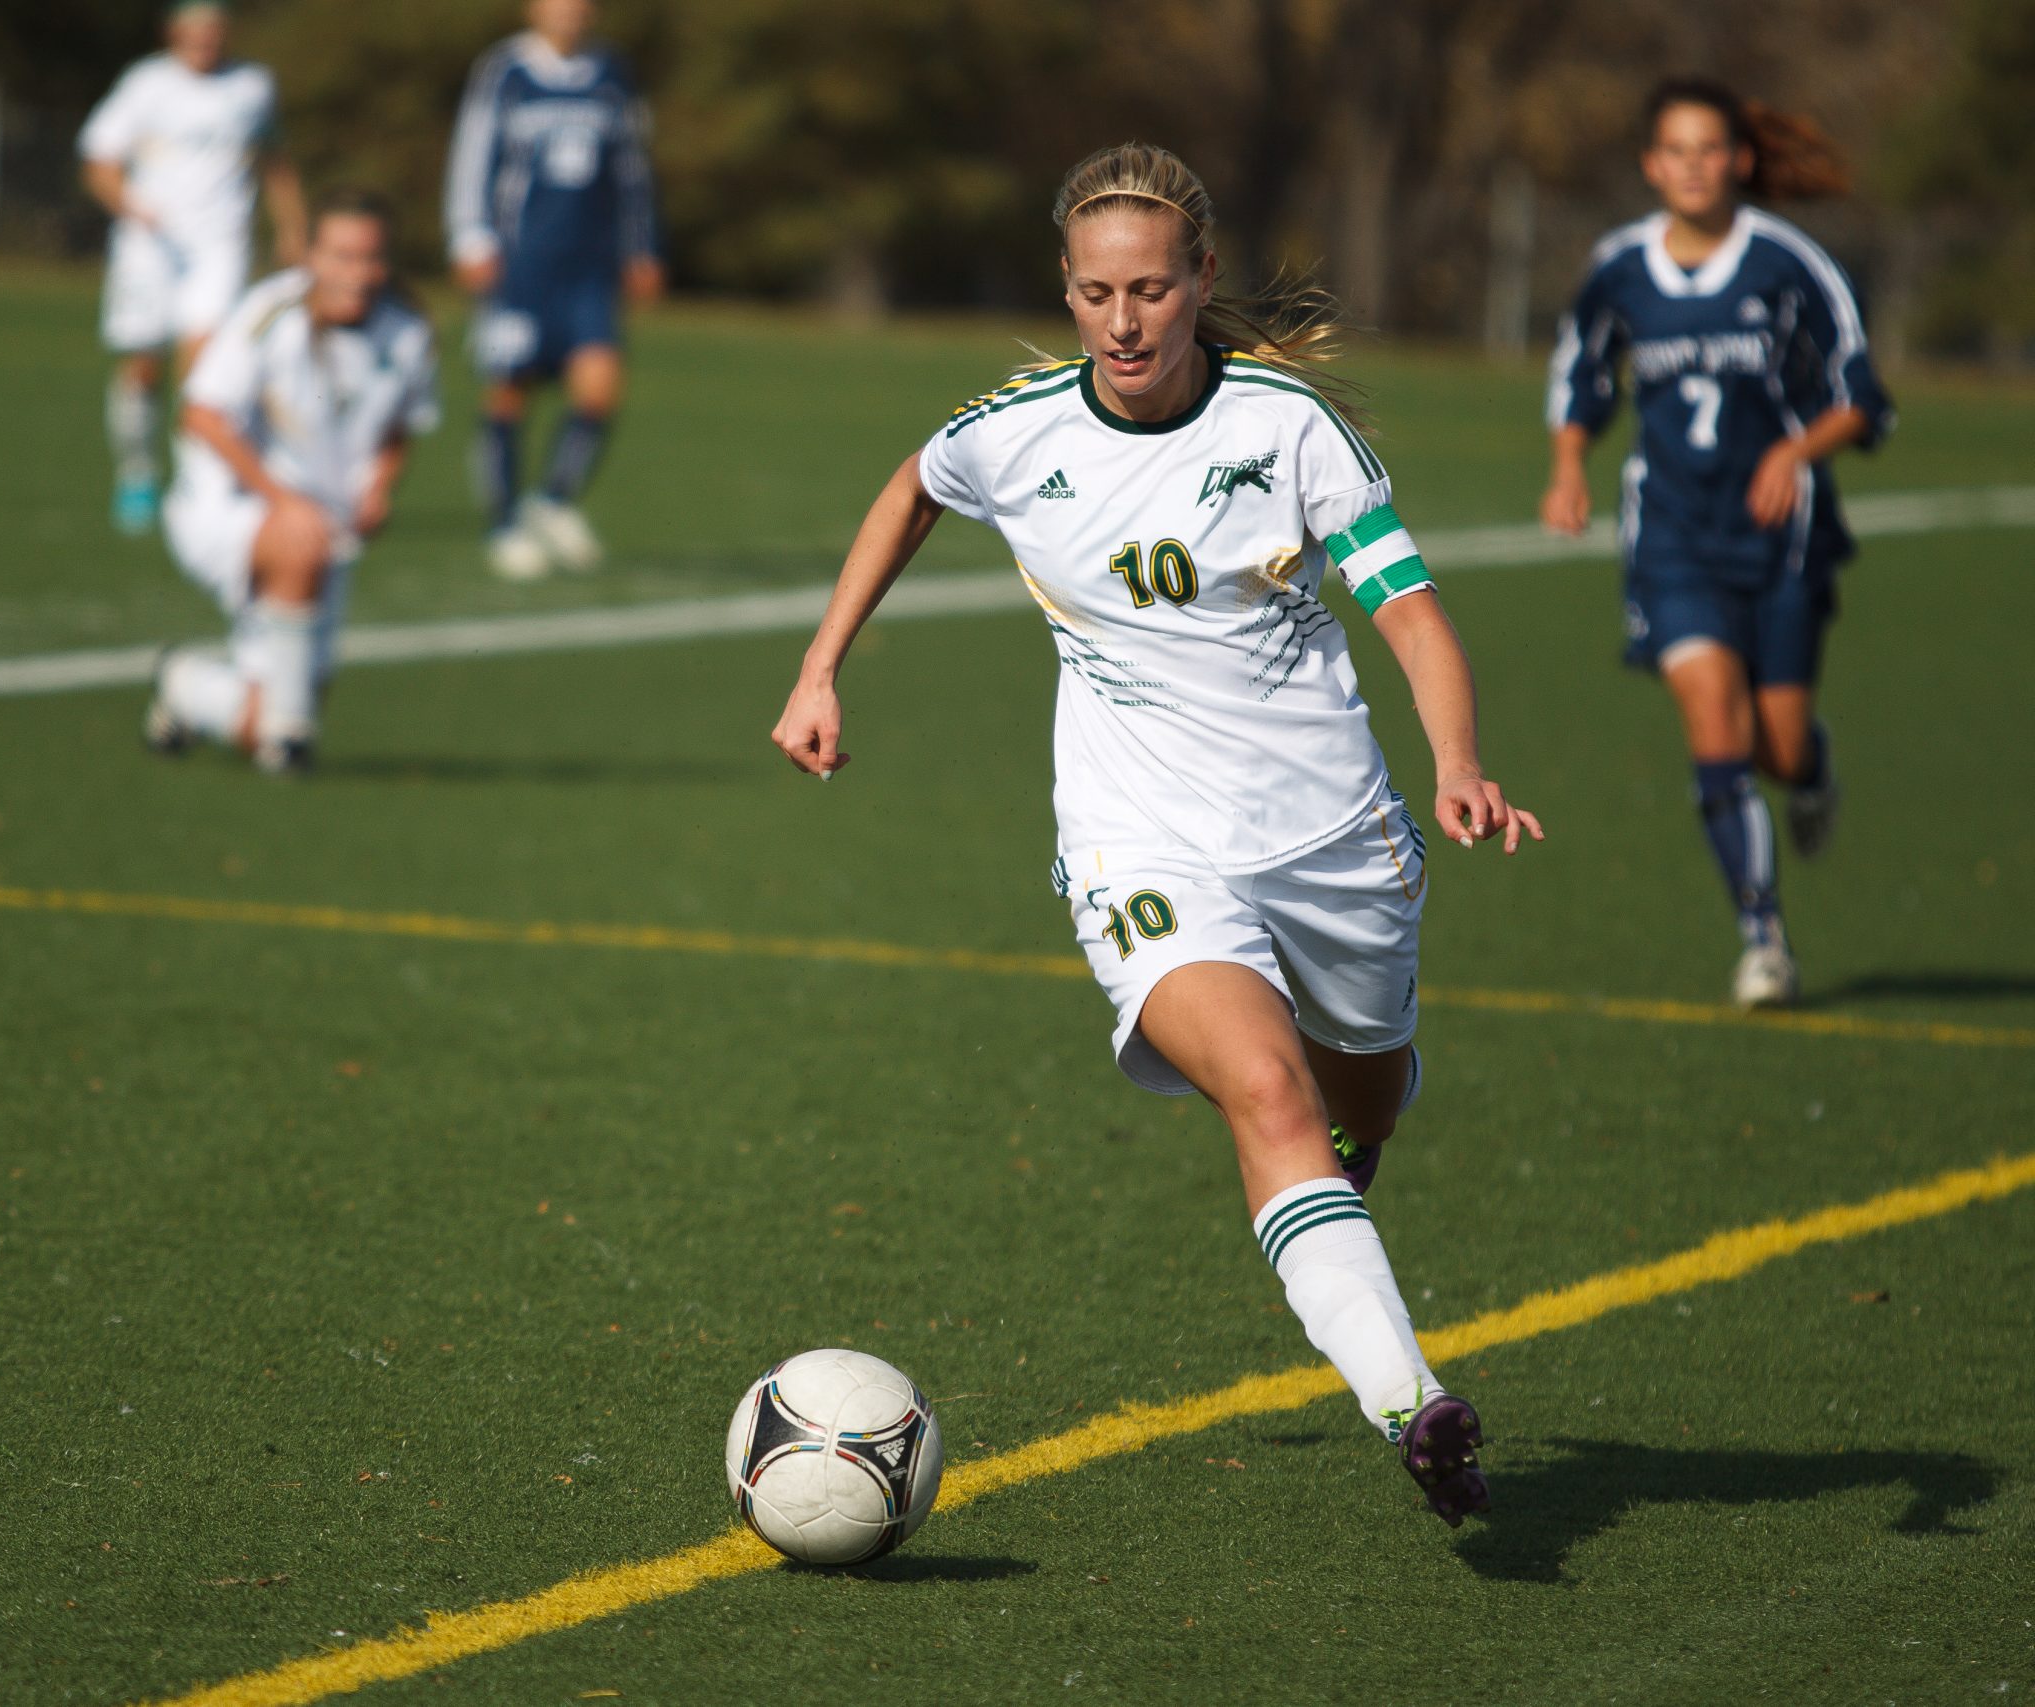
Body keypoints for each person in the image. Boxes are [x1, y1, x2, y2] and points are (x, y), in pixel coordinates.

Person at [771, 143, 1544, 1527]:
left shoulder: (1288, 428)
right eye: (1092, 293)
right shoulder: (1015, 432)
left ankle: (1339, 1174)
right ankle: (1414, 1402)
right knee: (1267, 1092)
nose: (1121, 322)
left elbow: (1410, 608)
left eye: (1149, 289)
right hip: (1141, 839)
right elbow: (911, 488)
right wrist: (823, 661)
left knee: (1361, 1091)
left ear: (1200, 283)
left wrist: (1462, 761)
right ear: (1065, 293)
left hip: (1333, 833)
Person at [1541, 78, 1893, 1008]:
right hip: (1671, 536)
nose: (1693, 167)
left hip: (1781, 539)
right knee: (1713, 718)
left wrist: (1796, 447)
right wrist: (1570, 464)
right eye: (1675, 151)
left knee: (1777, 745)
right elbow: (1580, 370)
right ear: (1652, 165)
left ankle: (1812, 774)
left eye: (1711, 150)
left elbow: (1861, 396)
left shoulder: (1789, 263)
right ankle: (1763, 936)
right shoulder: (1619, 266)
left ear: (1738, 160)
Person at [143, 194, 439, 774]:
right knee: (298, 548)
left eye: (369, 258)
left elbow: (402, 424)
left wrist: (379, 488)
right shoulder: (272, 312)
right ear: (311, 256)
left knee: (265, 712)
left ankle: (187, 685)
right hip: (227, 508)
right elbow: (201, 415)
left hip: (325, 533)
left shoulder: (408, 330)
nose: (356, 274)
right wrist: (284, 501)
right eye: (340, 256)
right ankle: (291, 741)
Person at [443, 0, 663, 580]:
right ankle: (504, 524)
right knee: (509, 392)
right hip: (521, 267)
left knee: (600, 388)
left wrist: (643, 247)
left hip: (591, 267)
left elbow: (634, 170)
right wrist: (470, 238)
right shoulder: (506, 71)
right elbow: (473, 156)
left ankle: (554, 501)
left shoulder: (613, 73)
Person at [80, 1, 306, 536]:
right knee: (143, 366)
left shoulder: (252, 85)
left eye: (214, 31)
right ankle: (137, 467)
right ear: (174, 33)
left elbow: (274, 159)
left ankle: (195, 482)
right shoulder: (145, 84)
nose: (205, 41)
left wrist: (292, 226)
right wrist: (131, 205)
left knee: (203, 366)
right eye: (194, 31)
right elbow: (99, 161)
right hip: (150, 247)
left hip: (219, 247)